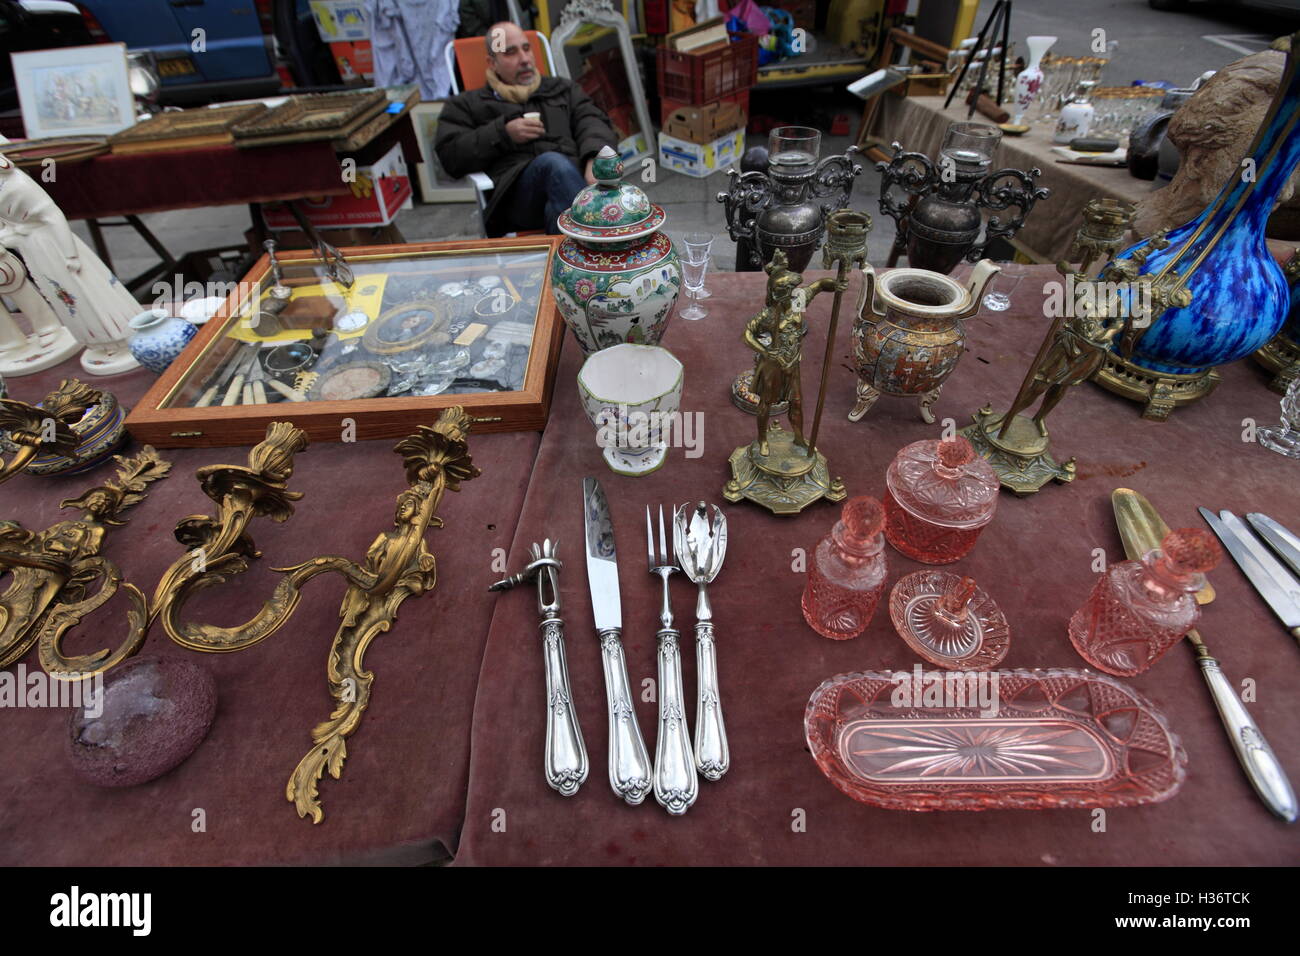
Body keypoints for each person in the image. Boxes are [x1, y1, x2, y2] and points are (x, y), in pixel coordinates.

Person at [435, 21, 616, 236]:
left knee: (557, 213)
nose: (524, 59)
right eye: (510, 53)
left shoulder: (562, 90)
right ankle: (606, 245)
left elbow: (593, 120)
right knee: (553, 164)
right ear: (492, 63)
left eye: (527, 48)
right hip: (517, 201)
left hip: (571, 190)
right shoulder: (468, 104)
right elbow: (451, 155)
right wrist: (503, 134)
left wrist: (594, 157)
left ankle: (575, 264)